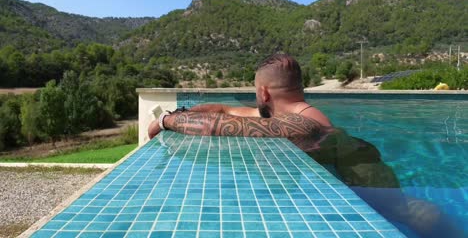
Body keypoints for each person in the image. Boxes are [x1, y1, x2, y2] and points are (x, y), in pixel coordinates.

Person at [148, 54, 462, 238]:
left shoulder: (305, 125)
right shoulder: (291, 112)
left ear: (264, 93)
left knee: (408, 213)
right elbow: (228, 112)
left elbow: (224, 126)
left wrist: (165, 122)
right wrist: (181, 112)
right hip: (355, 162)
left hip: (372, 184)